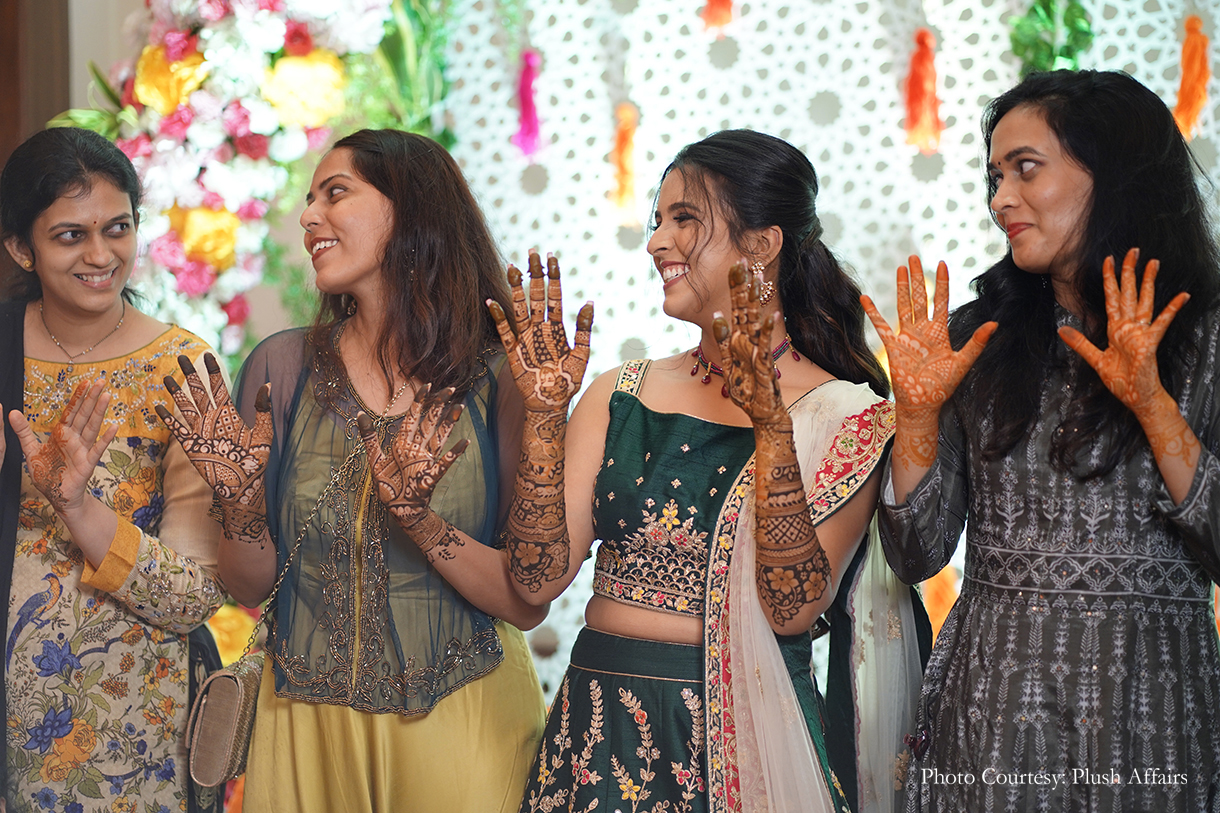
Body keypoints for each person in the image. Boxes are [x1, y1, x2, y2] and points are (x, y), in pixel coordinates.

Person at [492, 129, 928, 813]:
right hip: (594, 732)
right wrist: (546, 417)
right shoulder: (619, 392)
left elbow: (792, 608)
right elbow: (536, 577)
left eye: (684, 219)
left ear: (761, 244)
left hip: (743, 744)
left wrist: (772, 429)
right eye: (657, 220)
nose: (657, 242)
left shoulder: (846, 416)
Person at [160, 129, 548, 812]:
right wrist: (241, 506)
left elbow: (527, 600)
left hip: (466, 721)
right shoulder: (282, 368)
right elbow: (250, 586)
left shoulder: (503, 374)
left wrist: (420, 522)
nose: (309, 217)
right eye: (310, 200)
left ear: (412, 208)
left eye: (335, 193)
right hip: (305, 726)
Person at [865, 69, 1220, 811]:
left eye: (1026, 169)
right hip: (992, 720)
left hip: (1150, 722)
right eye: (995, 176)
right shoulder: (976, 338)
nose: (1000, 200)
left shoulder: (1208, 337)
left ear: (1115, 173)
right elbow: (917, 553)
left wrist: (1154, 408)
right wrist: (918, 418)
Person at [0, 128, 227, 811]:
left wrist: (77, 506)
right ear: (21, 247)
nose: (101, 256)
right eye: (71, 235)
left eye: (117, 228)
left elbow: (193, 596)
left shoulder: (184, 370)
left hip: (134, 732)